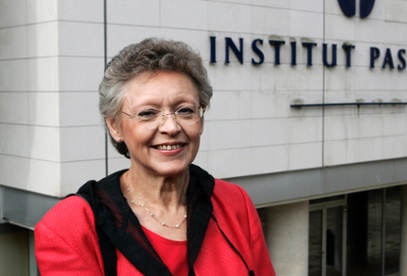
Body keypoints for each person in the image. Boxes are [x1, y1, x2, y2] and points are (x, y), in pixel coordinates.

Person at [34, 38, 275, 276]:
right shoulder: (70, 226)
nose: (171, 127)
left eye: (185, 110)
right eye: (148, 113)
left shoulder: (234, 203)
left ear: (200, 119)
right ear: (115, 126)